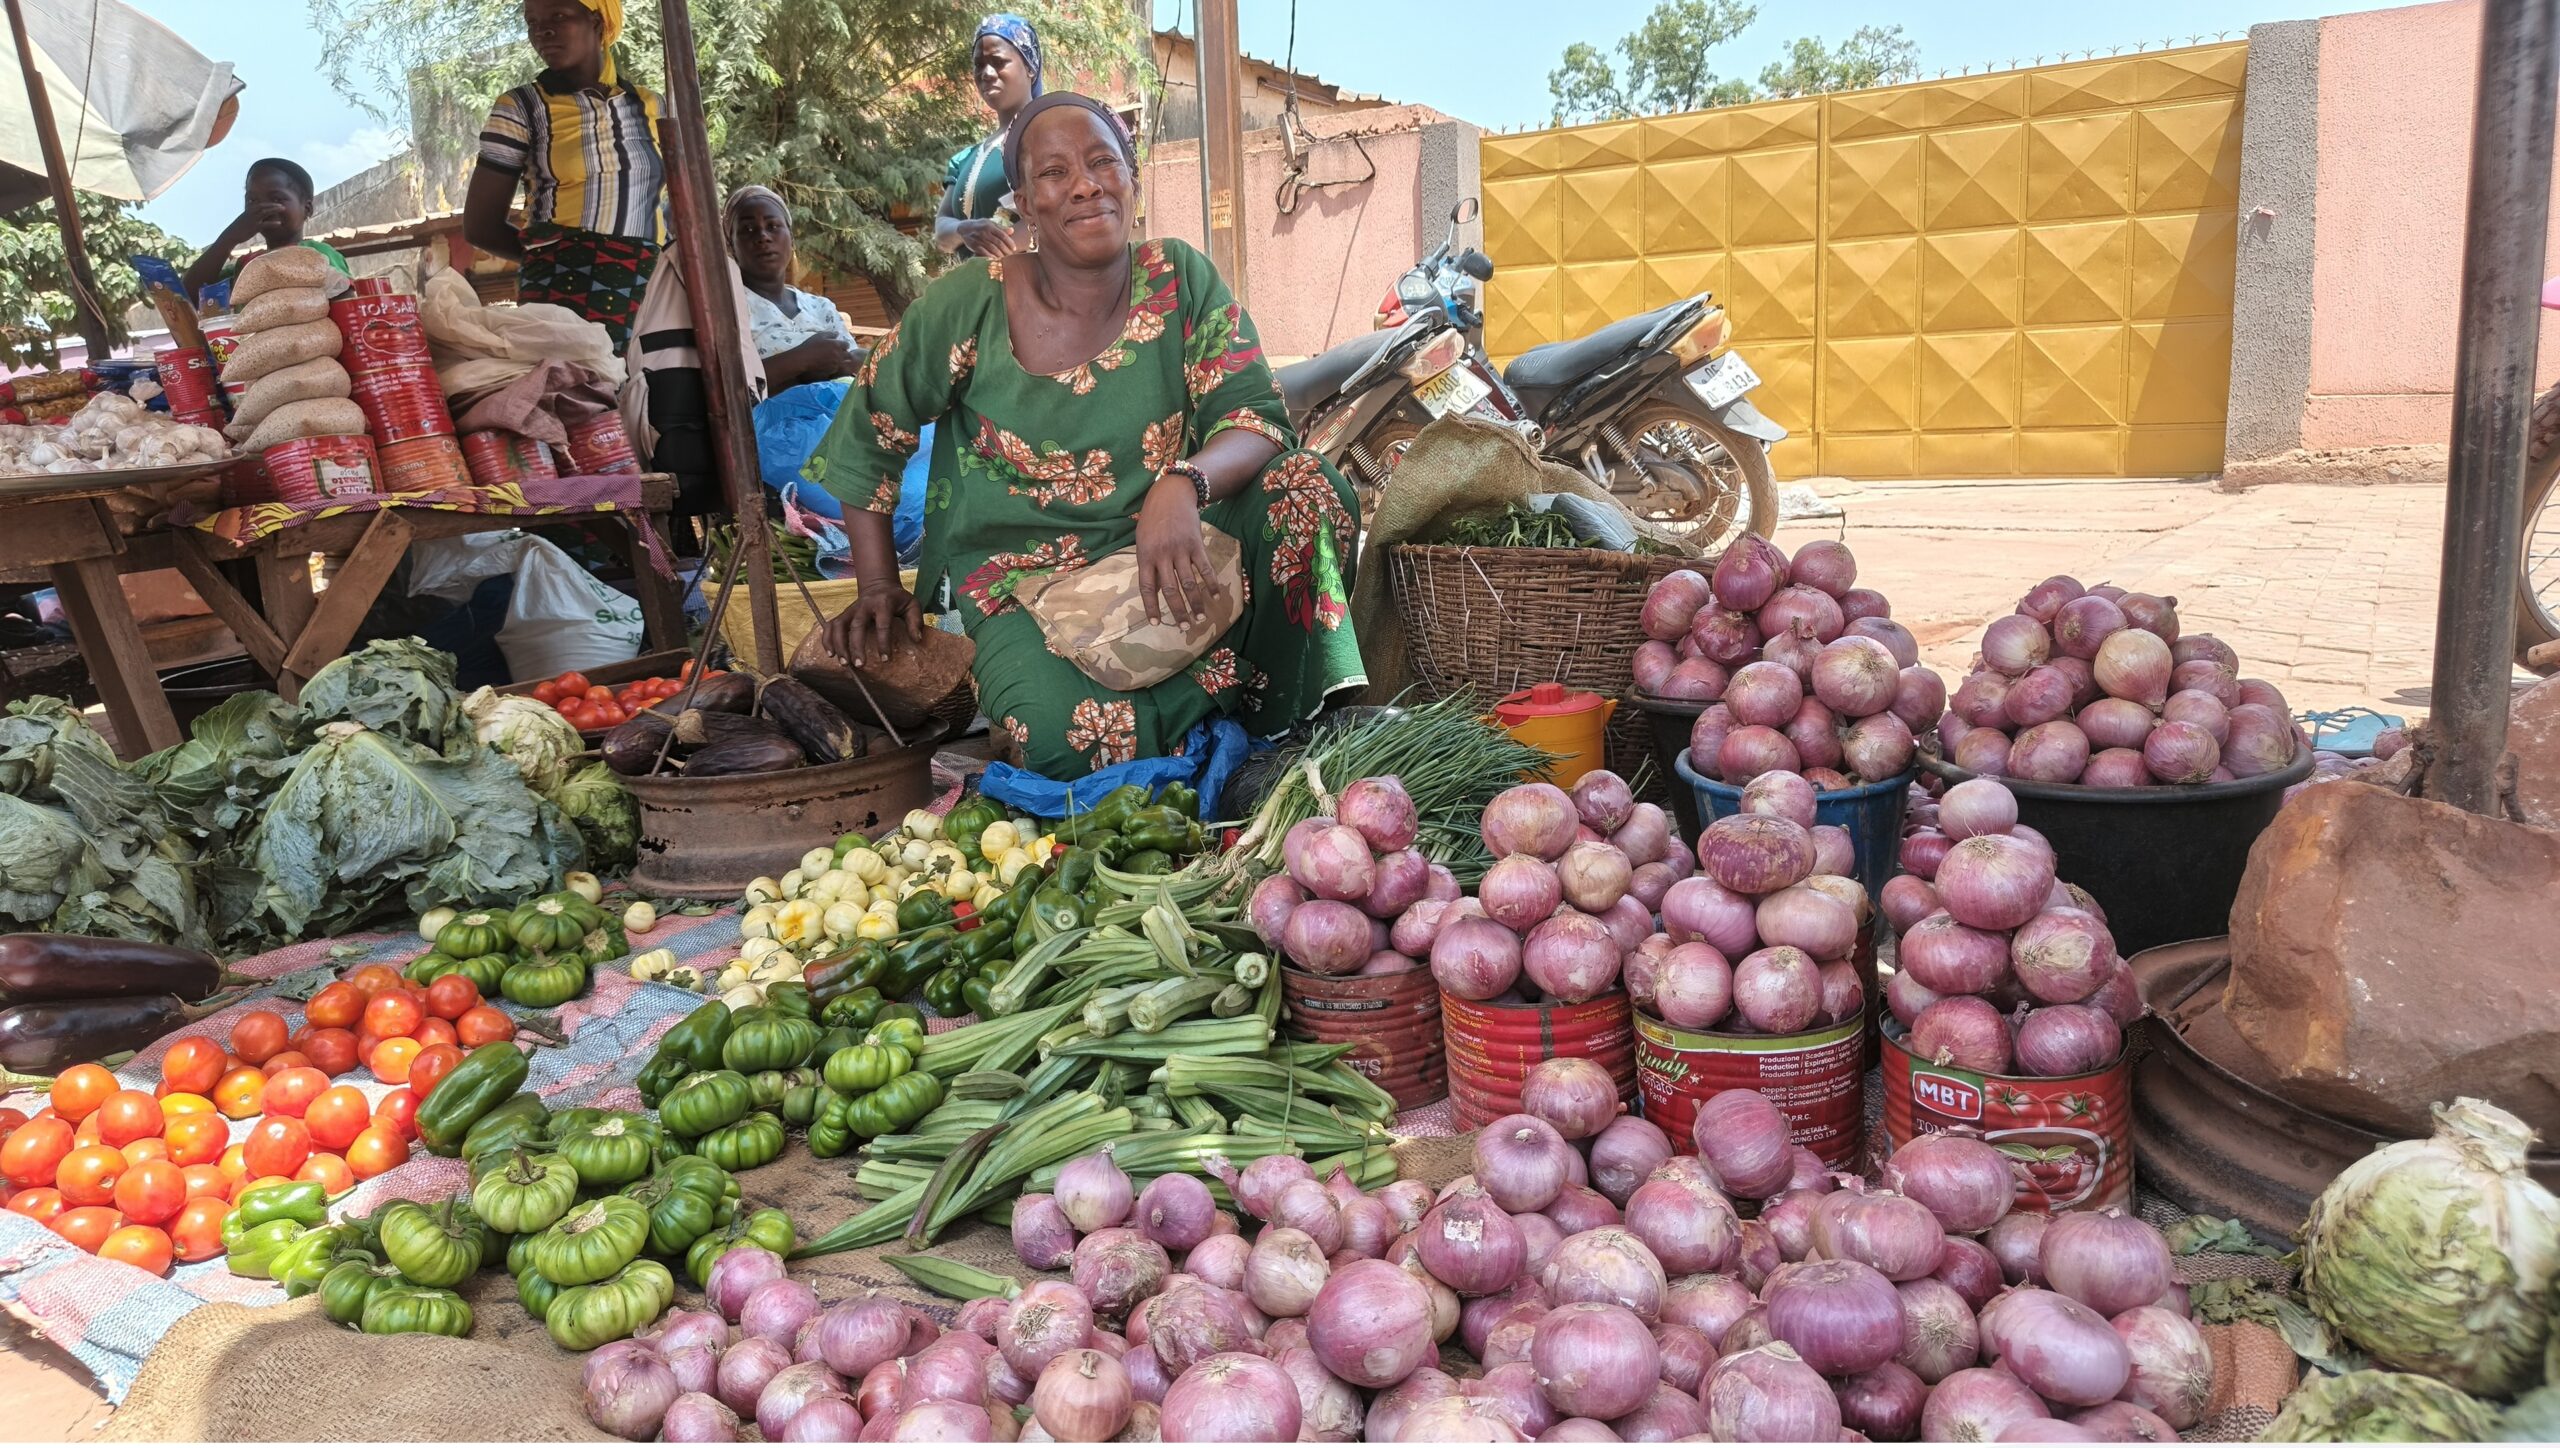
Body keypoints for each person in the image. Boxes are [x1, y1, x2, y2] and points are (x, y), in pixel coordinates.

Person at [810, 92, 1366, 778]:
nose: (1083, 183)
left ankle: (1288, 728)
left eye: (1104, 161)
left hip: (1171, 557)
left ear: (1131, 179)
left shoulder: (1179, 278)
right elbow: (870, 428)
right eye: (1053, 173)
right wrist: (874, 586)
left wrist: (1182, 484)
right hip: (1022, 586)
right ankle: (1214, 724)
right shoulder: (967, 305)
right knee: (1058, 740)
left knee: (1304, 488)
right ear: (1023, 199)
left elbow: (1252, 416)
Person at [464, 0, 665, 346]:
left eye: (558, 16)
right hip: (562, 295)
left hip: (650, 290)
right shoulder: (522, 107)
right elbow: (480, 226)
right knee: (584, 395)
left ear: (598, 23)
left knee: (656, 393)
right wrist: (556, 255)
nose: (542, 30)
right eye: (532, 22)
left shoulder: (651, 106)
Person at [728, 186, 860, 394]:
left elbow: (855, 364)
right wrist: (803, 359)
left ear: (791, 238)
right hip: (774, 424)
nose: (763, 237)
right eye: (748, 230)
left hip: (842, 417)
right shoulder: (730, 309)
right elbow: (730, 388)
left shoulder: (821, 307)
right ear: (732, 246)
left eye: (772, 226)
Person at [933, 14, 1040, 260]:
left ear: (1030, 67)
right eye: (979, 64)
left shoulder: (1050, 139)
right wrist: (964, 229)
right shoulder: (964, 159)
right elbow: (942, 230)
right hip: (974, 294)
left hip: (1030, 289)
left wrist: (996, 248)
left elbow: (1059, 216)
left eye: (998, 61)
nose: (987, 73)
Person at [180, 158, 350, 301]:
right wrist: (228, 239)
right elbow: (189, 296)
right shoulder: (244, 267)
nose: (262, 208)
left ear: (307, 208)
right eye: (252, 201)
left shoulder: (319, 254)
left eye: (276, 198)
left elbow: (345, 300)